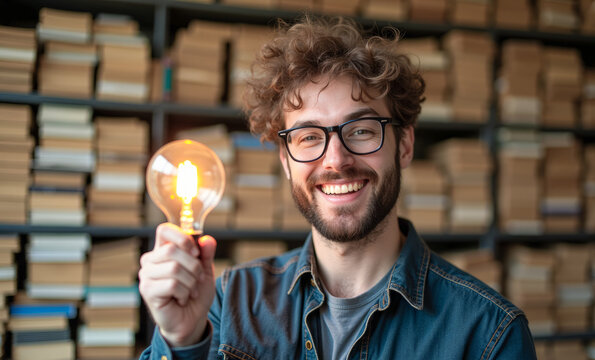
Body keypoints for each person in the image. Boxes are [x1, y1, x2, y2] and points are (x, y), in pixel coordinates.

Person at [139, 16, 537, 359]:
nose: (335, 161)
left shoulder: (489, 334)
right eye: (309, 137)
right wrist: (180, 341)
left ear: (405, 145)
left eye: (361, 130)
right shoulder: (225, 304)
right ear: (285, 159)